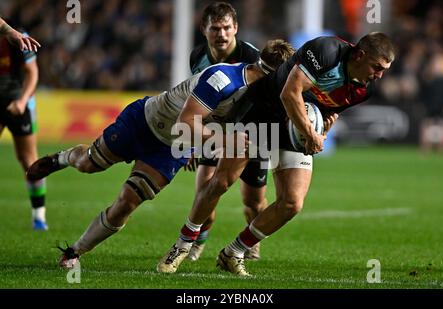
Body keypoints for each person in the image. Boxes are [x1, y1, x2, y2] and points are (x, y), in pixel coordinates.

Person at [26, 40, 294, 268]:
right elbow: (186, 123)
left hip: (171, 147)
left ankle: (75, 252)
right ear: (274, 75)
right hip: (145, 121)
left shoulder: (260, 94)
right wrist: (224, 140)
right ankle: (60, 159)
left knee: (127, 202)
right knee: (88, 164)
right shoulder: (223, 79)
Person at [158, 32, 395, 276]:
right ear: (360, 55)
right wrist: (311, 135)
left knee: (292, 203)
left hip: (294, 125)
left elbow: (328, 110)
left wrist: (323, 127)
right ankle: (182, 246)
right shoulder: (327, 50)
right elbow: (289, 93)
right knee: (221, 182)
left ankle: (234, 252)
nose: (379, 75)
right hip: (261, 112)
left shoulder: (362, 91)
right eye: (377, 67)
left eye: (385, 69)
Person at [187, 2, 266, 262]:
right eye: (215, 28)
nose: (221, 34)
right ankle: (198, 241)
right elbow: (199, 104)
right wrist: (193, 143)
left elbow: (259, 103)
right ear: (204, 29)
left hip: (251, 132)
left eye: (226, 28)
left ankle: (250, 242)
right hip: (215, 131)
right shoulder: (197, 57)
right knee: (205, 194)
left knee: (253, 203)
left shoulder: (252, 57)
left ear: (236, 29)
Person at [0, 26, 47, 230]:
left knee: (28, 160)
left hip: (21, 103)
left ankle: (39, 217)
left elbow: (32, 73)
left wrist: (22, 101)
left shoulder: (20, 39)